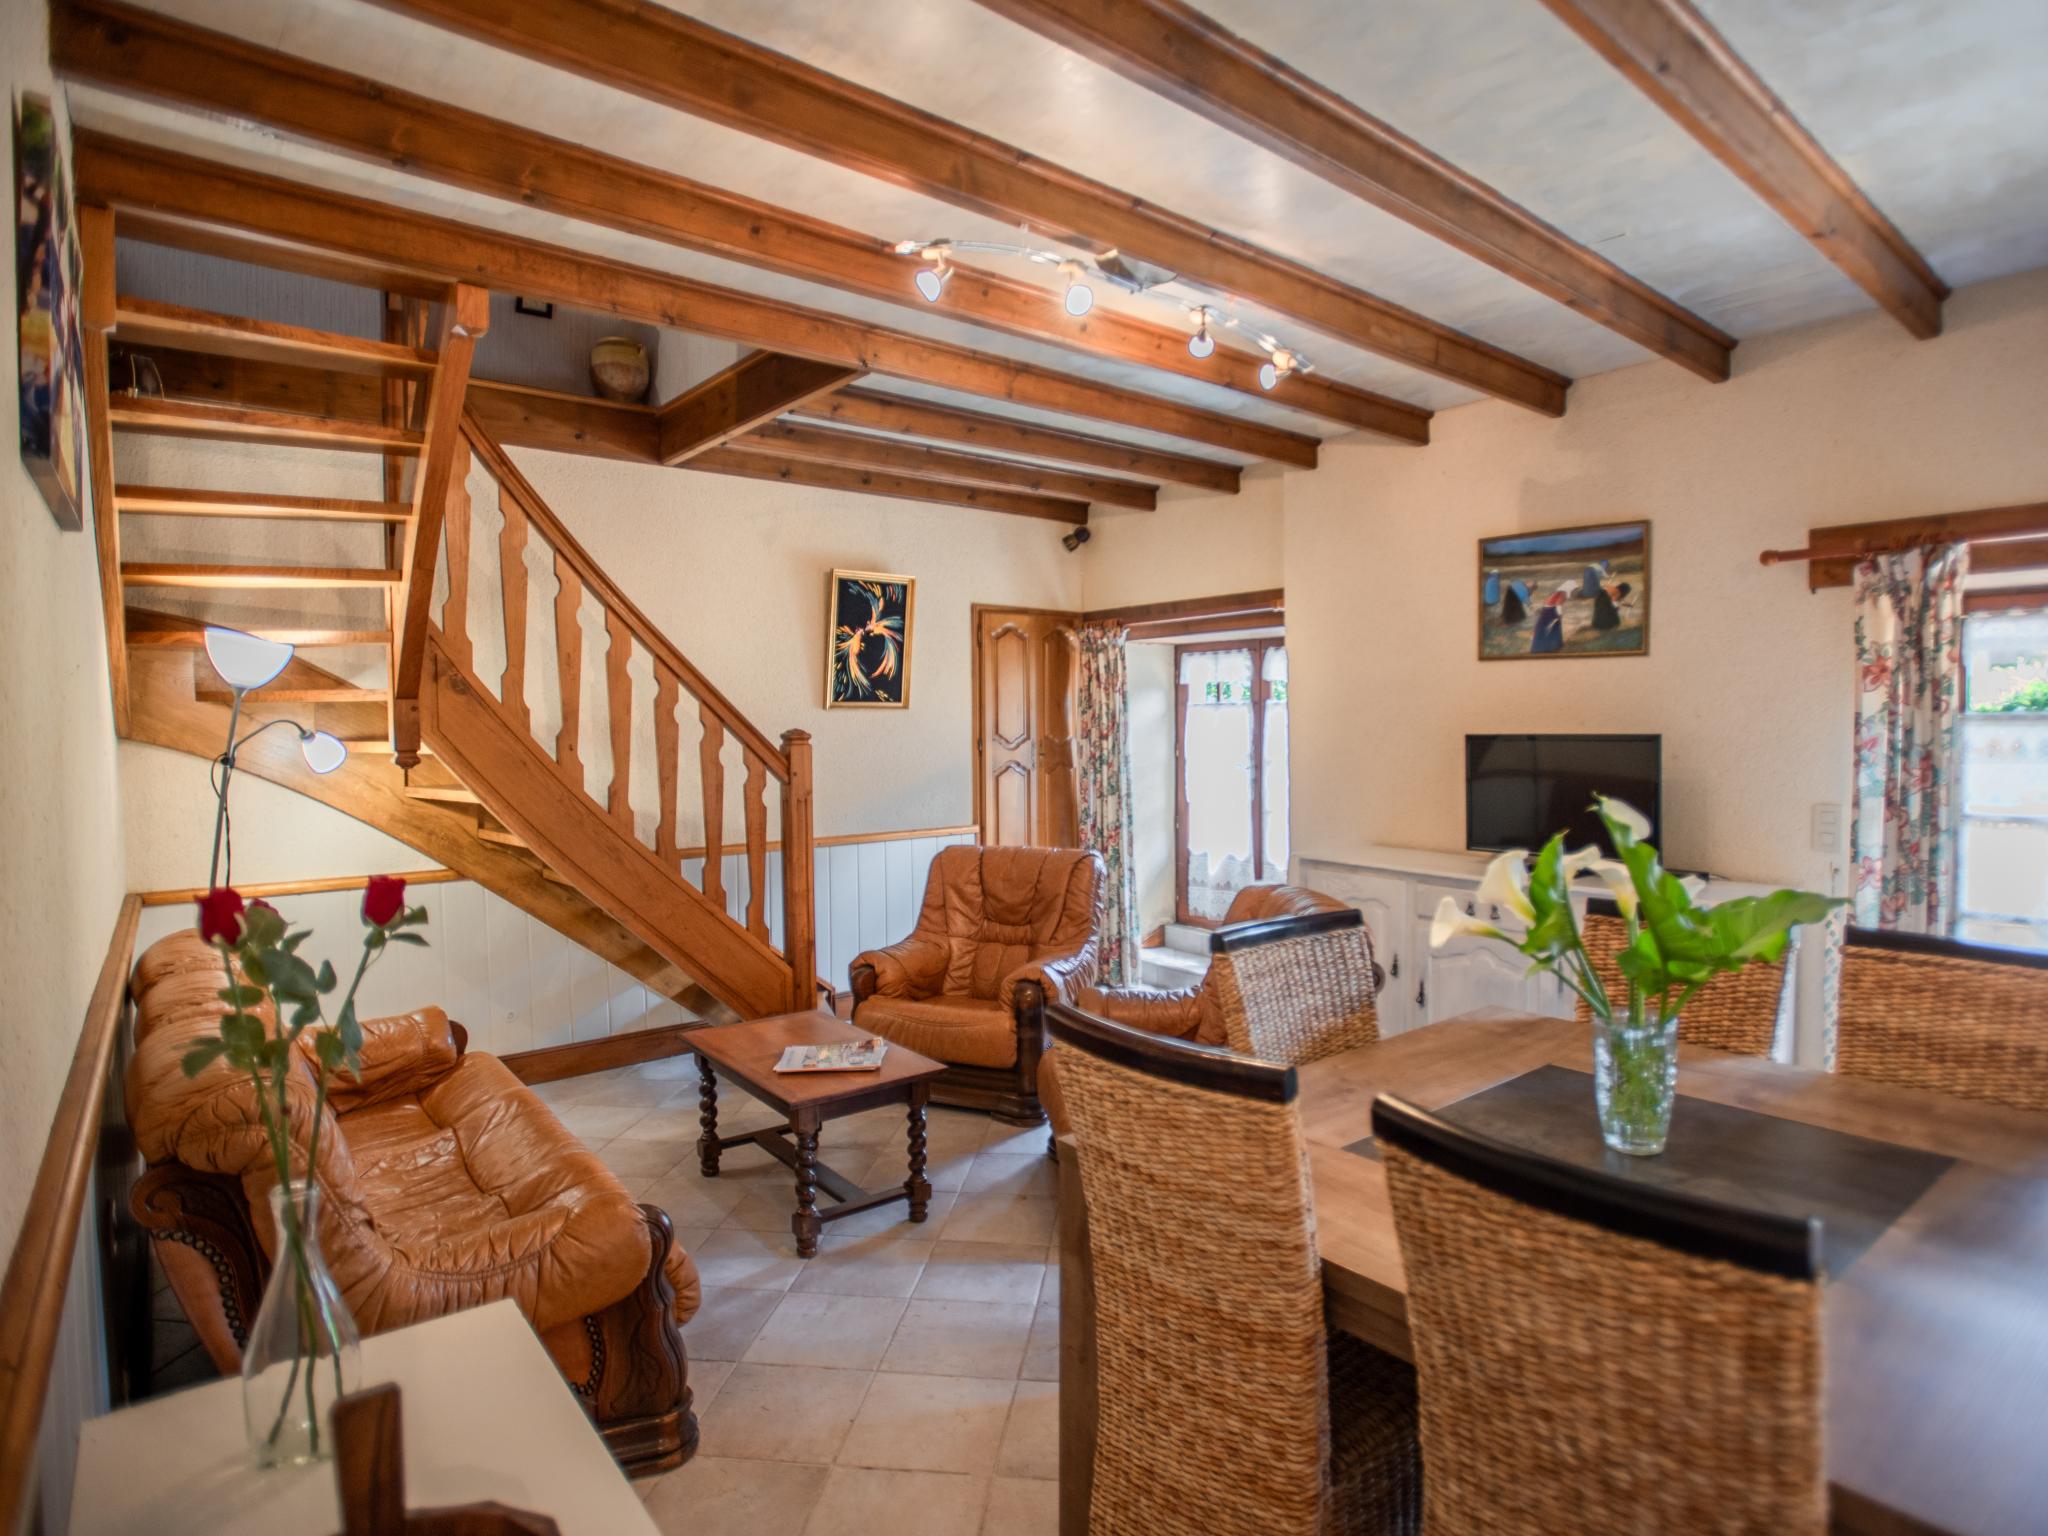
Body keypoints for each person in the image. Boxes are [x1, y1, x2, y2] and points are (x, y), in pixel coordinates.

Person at [1530, 587, 1570, 654]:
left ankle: (1539, 648)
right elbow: (1558, 604)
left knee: (1542, 629)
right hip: (1551, 613)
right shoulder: (1562, 593)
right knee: (1553, 629)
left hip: (1545, 612)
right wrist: (1559, 616)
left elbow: (1547, 603)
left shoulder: (1556, 593)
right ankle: (1552, 647)